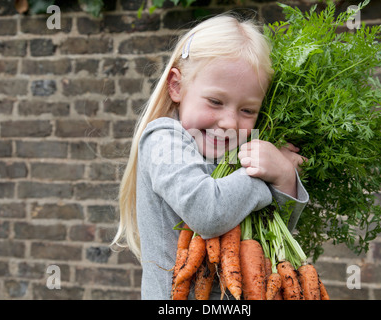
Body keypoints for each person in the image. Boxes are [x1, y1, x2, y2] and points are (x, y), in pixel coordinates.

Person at [112, 13, 309, 300]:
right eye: (216, 101)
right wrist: (267, 179)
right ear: (177, 86)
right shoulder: (164, 139)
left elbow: (275, 229)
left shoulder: (238, 149)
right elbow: (207, 212)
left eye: (247, 110)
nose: (230, 122)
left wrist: (285, 181)